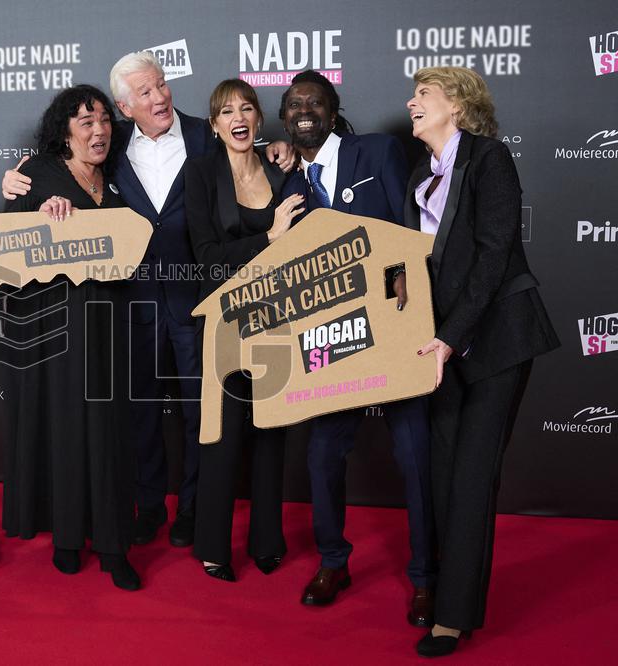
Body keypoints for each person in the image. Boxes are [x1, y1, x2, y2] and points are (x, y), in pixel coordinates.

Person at [3, 51, 295, 549]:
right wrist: (15, 182)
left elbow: (249, 154)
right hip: (129, 299)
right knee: (139, 413)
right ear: (124, 105)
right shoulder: (108, 143)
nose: (159, 97)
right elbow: (60, 166)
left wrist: (280, 150)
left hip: (197, 297)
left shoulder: (207, 133)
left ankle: (195, 508)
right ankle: (149, 504)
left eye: (161, 85)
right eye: (145, 92)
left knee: (200, 411)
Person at [406, 66, 558, 657]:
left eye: (422, 95)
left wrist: (449, 337)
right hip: (439, 346)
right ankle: (448, 595)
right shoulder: (421, 174)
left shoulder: (490, 159)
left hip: (496, 340)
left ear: (458, 106)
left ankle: (454, 617)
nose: (410, 104)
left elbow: (495, 255)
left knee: (471, 475)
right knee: (443, 471)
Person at [277, 70, 436, 624]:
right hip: (332, 341)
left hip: (394, 330)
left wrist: (403, 315)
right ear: (284, 117)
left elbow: (410, 235)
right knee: (323, 458)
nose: (303, 111)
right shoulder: (291, 187)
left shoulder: (378, 152)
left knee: (415, 455)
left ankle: (425, 577)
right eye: (293, 103)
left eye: (314, 102)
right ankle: (333, 561)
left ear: (333, 109)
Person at [0, 84, 140, 591]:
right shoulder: (36, 174)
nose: (98, 130)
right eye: (86, 122)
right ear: (65, 131)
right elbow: (8, 246)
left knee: (110, 434)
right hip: (55, 327)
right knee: (65, 430)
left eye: (104, 120)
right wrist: (40, 216)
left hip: (112, 322)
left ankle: (113, 545)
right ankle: (66, 538)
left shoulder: (120, 175)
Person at [184, 79, 305, 582]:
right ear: (214, 124)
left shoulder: (281, 173)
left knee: (271, 431)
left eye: (247, 108)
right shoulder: (200, 174)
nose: (238, 116)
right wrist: (268, 237)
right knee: (223, 435)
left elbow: (301, 252)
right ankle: (213, 545)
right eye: (226, 110)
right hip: (224, 323)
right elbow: (208, 259)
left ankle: (266, 540)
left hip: (275, 321)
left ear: (258, 119)